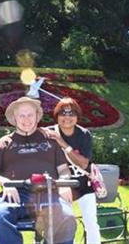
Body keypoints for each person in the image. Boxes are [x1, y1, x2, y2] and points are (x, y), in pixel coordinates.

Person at [0, 96, 77, 244]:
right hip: (16, 195)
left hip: (49, 194)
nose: (26, 119)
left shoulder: (50, 140)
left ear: (37, 116)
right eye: (22, 115)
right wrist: (5, 182)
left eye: (30, 115)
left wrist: (64, 183)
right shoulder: (4, 143)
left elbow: (63, 170)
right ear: (15, 118)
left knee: (67, 217)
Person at [46, 97, 101, 244]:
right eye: (63, 113)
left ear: (77, 117)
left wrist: (63, 143)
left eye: (72, 114)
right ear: (57, 115)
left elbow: (84, 164)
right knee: (64, 225)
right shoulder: (49, 133)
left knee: (91, 224)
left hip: (84, 185)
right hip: (61, 186)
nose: (67, 118)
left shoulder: (84, 134)